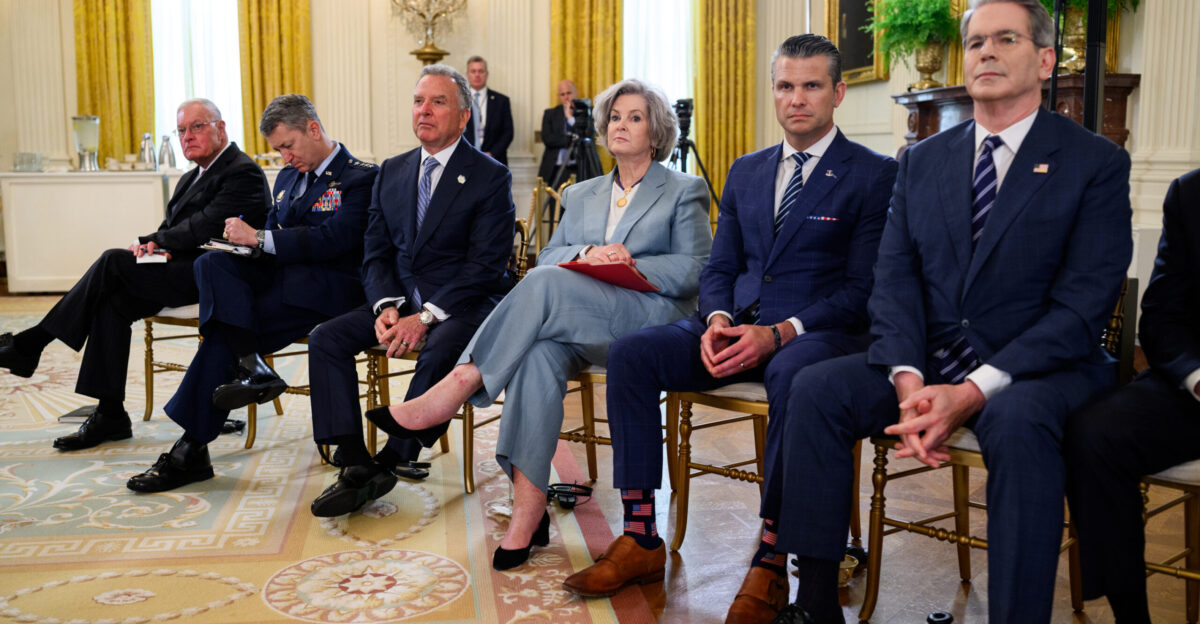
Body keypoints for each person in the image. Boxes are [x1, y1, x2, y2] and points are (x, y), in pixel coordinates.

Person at [764, 1, 1133, 622]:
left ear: (1045, 60)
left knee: (1017, 426)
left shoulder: (1093, 161)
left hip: (1039, 368)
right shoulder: (923, 159)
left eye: (1005, 39)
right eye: (976, 41)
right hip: (931, 361)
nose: (986, 51)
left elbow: (1081, 309)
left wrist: (971, 390)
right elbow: (895, 278)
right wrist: (907, 378)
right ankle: (815, 601)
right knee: (815, 388)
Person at [561, 35, 898, 617]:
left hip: (815, 335)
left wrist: (781, 331)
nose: (797, 98)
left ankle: (770, 558)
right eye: (786, 85)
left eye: (812, 85)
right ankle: (641, 535)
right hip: (731, 325)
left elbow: (862, 292)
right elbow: (720, 266)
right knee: (634, 355)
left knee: (794, 377)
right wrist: (716, 319)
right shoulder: (747, 170)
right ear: (773, 92)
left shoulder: (873, 174)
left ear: (838, 92)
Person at [365, 78, 713, 572]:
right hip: (578, 320)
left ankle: (458, 383)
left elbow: (697, 269)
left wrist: (630, 262)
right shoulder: (583, 193)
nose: (620, 124)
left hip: (646, 320)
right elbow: (550, 255)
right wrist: (589, 254)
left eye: (634, 117)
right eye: (615, 116)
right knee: (534, 354)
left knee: (546, 285)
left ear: (655, 132)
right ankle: (528, 512)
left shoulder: (682, 189)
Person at [124, 94, 378, 493]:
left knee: (222, 336)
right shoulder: (291, 177)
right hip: (281, 284)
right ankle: (250, 366)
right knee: (210, 263)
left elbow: (336, 239)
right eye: (277, 150)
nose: (284, 158)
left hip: (328, 290)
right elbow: (273, 238)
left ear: (313, 129)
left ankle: (194, 444)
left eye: (288, 146)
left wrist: (259, 238)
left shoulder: (360, 176)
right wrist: (242, 247)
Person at [304, 64, 516, 518]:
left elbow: (485, 266)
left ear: (462, 117)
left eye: (438, 102)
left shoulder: (488, 175)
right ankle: (352, 457)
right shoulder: (393, 170)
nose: (424, 111)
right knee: (326, 338)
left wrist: (424, 316)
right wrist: (385, 305)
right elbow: (375, 250)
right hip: (400, 300)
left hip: (464, 303)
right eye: (419, 101)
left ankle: (393, 458)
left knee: (441, 348)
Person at [0, 99, 270, 452]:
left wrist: (156, 241)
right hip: (182, 270)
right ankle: (110, 413)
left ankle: (32, 342)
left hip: (219, 278)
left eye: (197, 127)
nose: (187, 137)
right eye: (181, 130)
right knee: (111, 301)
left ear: (221, 128)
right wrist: (157, 247)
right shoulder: (191, 176)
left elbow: (205, 227)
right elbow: (174, 228)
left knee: (113, 262)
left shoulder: (241, 171)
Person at [1064, 168, 1200, 624]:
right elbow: (1162, 316)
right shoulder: (1191, 191)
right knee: (1096, 433)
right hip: (1194, 389)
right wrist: (1196, 377)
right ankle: (1130, 616)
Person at [537, 79, 597, 189]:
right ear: (559, 96)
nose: (566, 97)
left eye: (569, 93)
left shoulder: (588, 111)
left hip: (580, 168)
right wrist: (572, 139)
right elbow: (548, 139)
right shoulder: (550, 113)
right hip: (556, 169)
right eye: (562, 94)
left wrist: (570, 118)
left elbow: (588, 135)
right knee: (556, 205)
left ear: (575, 93)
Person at [462, 56, 514, 166]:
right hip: (465, 160)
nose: (477, 75)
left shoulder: (501, 101)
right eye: (473, 71)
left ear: (487, 73)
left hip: (495, 161)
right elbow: (453, 131)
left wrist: (491, 153)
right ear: (467, 74)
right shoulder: (458, 101)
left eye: (481, 71)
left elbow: (508, 132)